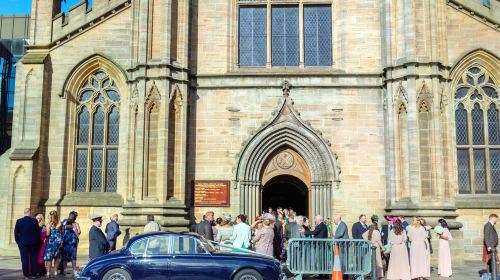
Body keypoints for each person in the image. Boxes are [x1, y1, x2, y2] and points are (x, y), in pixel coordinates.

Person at [14, 208, 40, 278]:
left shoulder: (19, 221)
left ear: (24, 212)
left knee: (24, 259)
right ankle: (34, 274)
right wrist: (37, 241)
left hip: (22, 243)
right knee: (33, 258)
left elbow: (16, 233)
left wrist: (18, 242)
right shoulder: (34, 221)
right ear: (29, 212)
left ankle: (26, 274)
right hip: (33, 243)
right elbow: (38, 232)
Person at [44, 210, 63, 278]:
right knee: (57, 258)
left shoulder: (49, 224)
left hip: (51, 242)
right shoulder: (60, 223)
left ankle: (48, 273)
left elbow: (48, 234)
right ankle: (55, 272)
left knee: (49, 258)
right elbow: (62, 232)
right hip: (59, 242)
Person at [62, 211, 81, 275]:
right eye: (73, 216)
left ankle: (74, 270)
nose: (74, 218)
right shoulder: (65, 221)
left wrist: (76, 228)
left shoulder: (75, 223)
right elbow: (61, 229)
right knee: (65, 256)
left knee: (73, 256)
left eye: (75, 217)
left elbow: (79, 232)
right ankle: (65, 270)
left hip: (73, 243)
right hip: (66, 242)